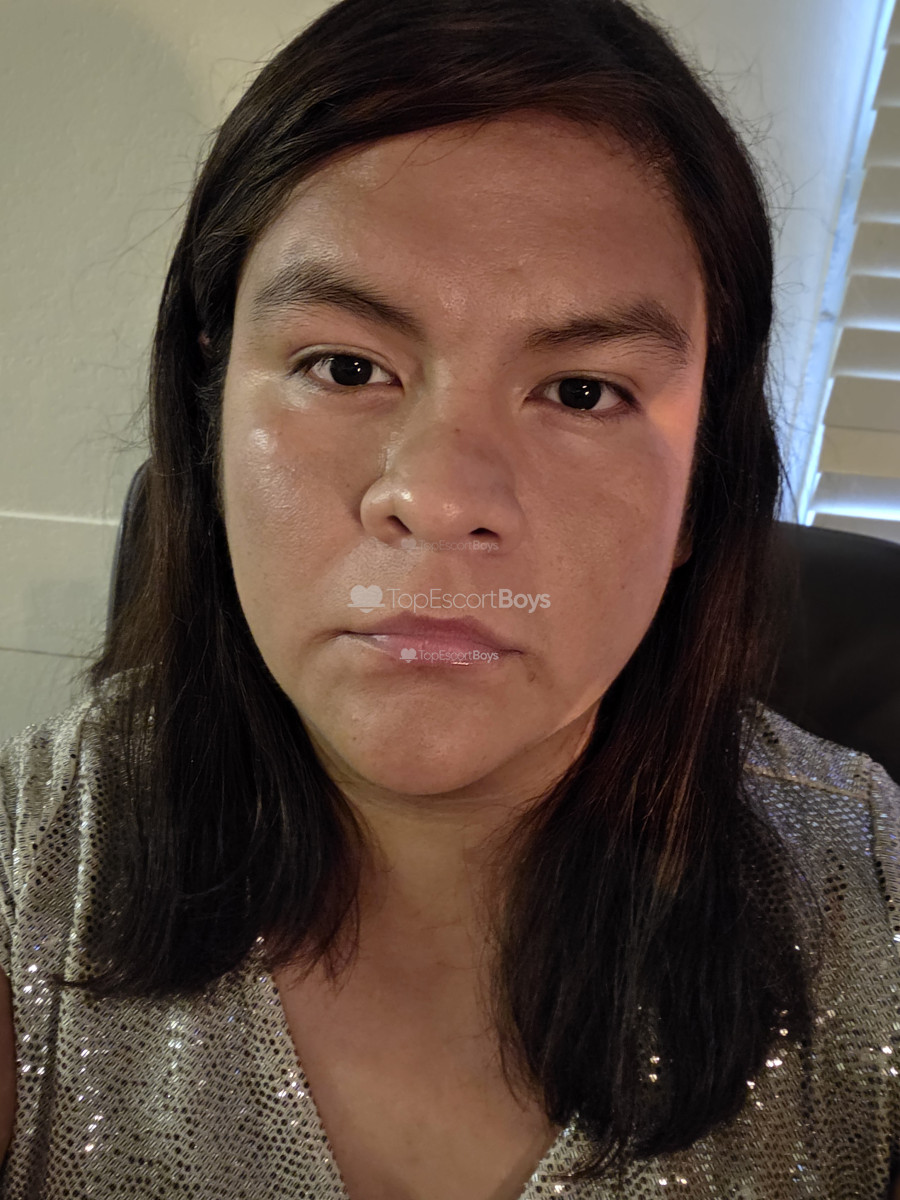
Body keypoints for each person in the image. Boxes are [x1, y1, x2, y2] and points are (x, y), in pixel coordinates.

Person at [1, 0, 898, 1196]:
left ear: (701, 490)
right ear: (208, 421)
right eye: (345, 367)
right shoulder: (32, 873)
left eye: (582, 392)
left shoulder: (868, 898)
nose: (436, 496)